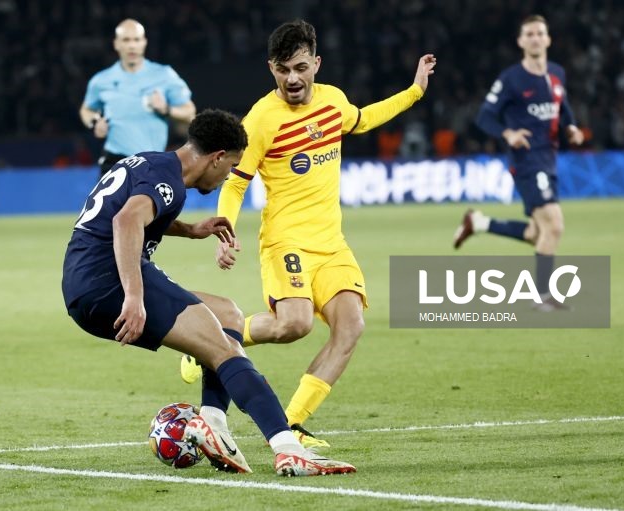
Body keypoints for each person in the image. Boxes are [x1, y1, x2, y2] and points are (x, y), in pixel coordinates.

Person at [180, 20, 436, 447]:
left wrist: (414, 92)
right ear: (271, 69)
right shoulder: (261, 119)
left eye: (300, 67)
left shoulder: (333, 100)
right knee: (293, 325)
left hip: (331, 243)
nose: (292, 78)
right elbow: (238, 180)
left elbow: (363, 119)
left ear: (316, 62)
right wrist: (225, 229)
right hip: (287, 240)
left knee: (351, 326)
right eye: (283, 70)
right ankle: (206, 340)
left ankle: (293, 423)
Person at [62, 109, 355, 477]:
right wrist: (133, 297)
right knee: (224, 348)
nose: (228, 175)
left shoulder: (156, 164)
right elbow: (126, 221)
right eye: (230, 166)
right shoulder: (169, 181)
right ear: (216, 157)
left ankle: (213, 424)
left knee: (227, 314)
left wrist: (190, 230)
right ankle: (288, 449)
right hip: (108, 279)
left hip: (86, 278)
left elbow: (129, 211)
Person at [453, 14, 584, 310]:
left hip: (548, 160)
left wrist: (572, 127)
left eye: (540, 33)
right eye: (530, 34)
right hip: (526, 160)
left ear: (548, 39)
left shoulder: (557, 74)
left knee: (539, 233)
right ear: (521, 41)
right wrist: (507, 132)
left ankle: (480, 222)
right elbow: (484, 116)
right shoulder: (511, 79)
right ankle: (543, 297)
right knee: (555, 225)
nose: (536, 38)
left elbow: (563, 106)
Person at [79, 18, 196, 176]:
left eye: (136, 39)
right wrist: (94, 123)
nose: (132, 45)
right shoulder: (101, 80)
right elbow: (86, 109)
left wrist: (166, 109)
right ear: (116, 44)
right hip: (114, 162)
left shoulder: (164, 75)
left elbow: (189, 112)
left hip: (152, 162)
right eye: (126, 40)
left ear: (144, 42)